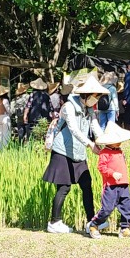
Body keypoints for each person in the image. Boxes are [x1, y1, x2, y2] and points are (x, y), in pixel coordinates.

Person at [43, 76, 107, 234]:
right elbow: (73, 129)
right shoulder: (69, 107)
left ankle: (92, 221)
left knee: (86, 185)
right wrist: (90, 144)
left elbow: (95, 126)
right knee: (64, 187)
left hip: (78, 151)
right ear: (86, 95)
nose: (96, 99)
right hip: (63, 151)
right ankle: (54, 222)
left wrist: (106, 142)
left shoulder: (88, 109)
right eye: (95, 96)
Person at [86, 121, 130, 238]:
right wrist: (112, 173)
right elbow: (101, 167)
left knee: (127, 207)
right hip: (111, 186)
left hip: (123, 184)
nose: (119, 142)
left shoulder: (120, 151)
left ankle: (125, 228)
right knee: (107, 208)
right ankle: (94, 225)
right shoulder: (104, 153)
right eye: (116, 140)